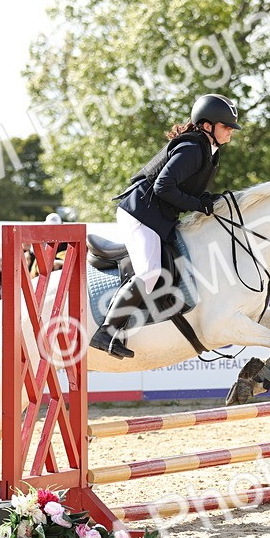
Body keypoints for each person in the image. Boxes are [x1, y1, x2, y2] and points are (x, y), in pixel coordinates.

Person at [92, 93, 239, 358]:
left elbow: (185, 190)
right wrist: (197, 205)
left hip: (157, 216)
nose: (230, 132)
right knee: (149, 273)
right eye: (226, 126)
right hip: (140, 213)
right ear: (207, 126)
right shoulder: (193, 148)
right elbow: (163, 186)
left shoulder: (207, 151)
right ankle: (106, 331)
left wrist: (207, 201)